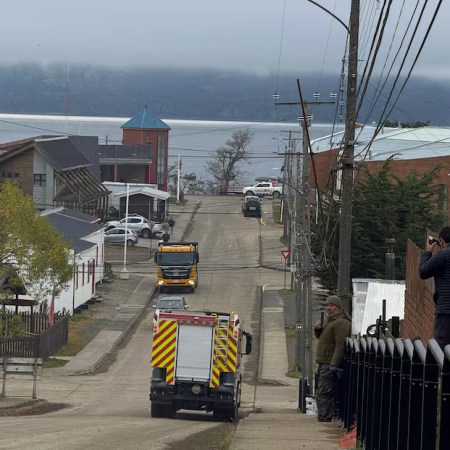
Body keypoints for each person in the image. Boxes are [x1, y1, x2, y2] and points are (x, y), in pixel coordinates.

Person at [314, 295, 351, 422]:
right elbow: (325, 339)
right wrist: (318, 330)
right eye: (327, 305)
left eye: (332, 305)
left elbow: (340, 345)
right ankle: (324, 416)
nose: (328, 308)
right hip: (324, 362)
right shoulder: (331, 321)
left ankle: (325, 417)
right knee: (323, 391)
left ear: (338, 307)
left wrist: (334, 364)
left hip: (329, 363)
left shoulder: (341, 323)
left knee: (324, 392)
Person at [419, 226, 450, 350]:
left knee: (440, 348)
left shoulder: (443, 254)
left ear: (441, 241)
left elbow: (423, 272)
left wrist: (428, 251)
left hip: (445, 311)